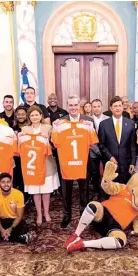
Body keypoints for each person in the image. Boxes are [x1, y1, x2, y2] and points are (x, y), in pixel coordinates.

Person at [52, 96, 97, 227]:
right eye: (70, 105)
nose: (73, 108)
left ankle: (85, 214)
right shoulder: (59, 123)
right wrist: (55, 128)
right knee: (66, 190)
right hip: (66, 163)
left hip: (83, 161)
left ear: (79, 106)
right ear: (67, 107)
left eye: (75, 105)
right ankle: (67, 215)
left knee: (84, 190)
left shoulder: (88, 121)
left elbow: (92, 143)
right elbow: (54, 143)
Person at [19, 106, 59, 225]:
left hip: (46, 163)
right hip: (32, 165)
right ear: (29, 117)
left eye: (37, 115)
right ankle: (39, 214)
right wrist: (20, 137)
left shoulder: (48, 127)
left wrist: (48, 140)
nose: (34, 117)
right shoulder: (25, 129)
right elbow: (20, 147)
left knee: (46, 190)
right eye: (32, 115)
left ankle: (46, 212)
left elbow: (55, 145)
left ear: (41, 116)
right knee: (36, 190)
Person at [98, 96, 137, 184]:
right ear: (111, 108)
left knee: (124, 189)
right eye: (115, 106)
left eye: (119, 105)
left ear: (123, 107)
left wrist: (133, 162)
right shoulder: (103, 124)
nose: (118, 108)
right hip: (110, 163)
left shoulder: (131, 124)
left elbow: (132, 145)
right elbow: (101, 144)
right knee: (110, 188)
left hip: (126, 163)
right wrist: (110, 157)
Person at [0, 173, 30, 243]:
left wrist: (10, 229)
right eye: (3, 182)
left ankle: (5, 236)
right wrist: (1, 229)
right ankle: (14, 237)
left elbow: (19, 216)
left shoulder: (19, 194)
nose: (6, 184)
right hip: (1, 220)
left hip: (13, 220)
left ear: (11, 182)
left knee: (23, 227)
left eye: (8, 182)